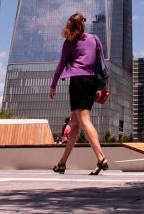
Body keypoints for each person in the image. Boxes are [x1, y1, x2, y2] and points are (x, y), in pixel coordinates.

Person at [48, 12, 108, 176]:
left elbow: (60, 65)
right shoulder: (95, 39)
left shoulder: (69, 42)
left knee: (84, 120)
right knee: (74, 124)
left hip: (78, 82)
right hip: (92, 82)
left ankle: (101, 158)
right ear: (82, 24)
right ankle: (62, 163)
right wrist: (103, 87)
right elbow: (102, 63)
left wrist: (53, 86)